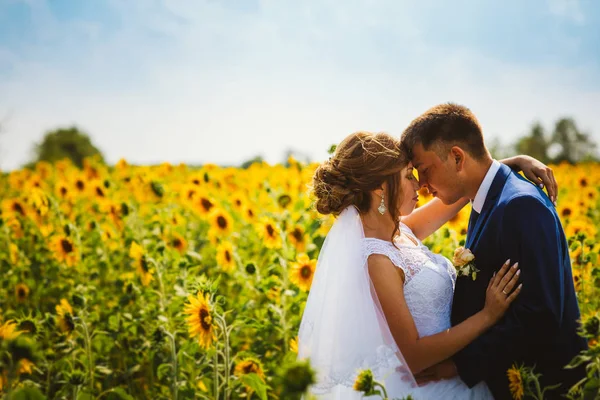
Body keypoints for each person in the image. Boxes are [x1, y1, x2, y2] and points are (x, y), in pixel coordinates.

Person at [297, 130, 558, 398]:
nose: (418, 184)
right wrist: (488, 316)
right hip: (431, 386)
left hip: (456, 373)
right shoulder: (377, 259)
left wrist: (514, 161)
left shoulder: (402, 231)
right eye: (408, 175)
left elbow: (465, 185)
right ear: (380, 187)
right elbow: (414, 356)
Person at [401, 103, 588, 399]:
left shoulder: (520, 205)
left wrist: (458, 366)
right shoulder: (486, 197)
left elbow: (540, 315)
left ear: (457, 157)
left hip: (542, 387)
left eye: (425, 170)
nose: (422, 185)